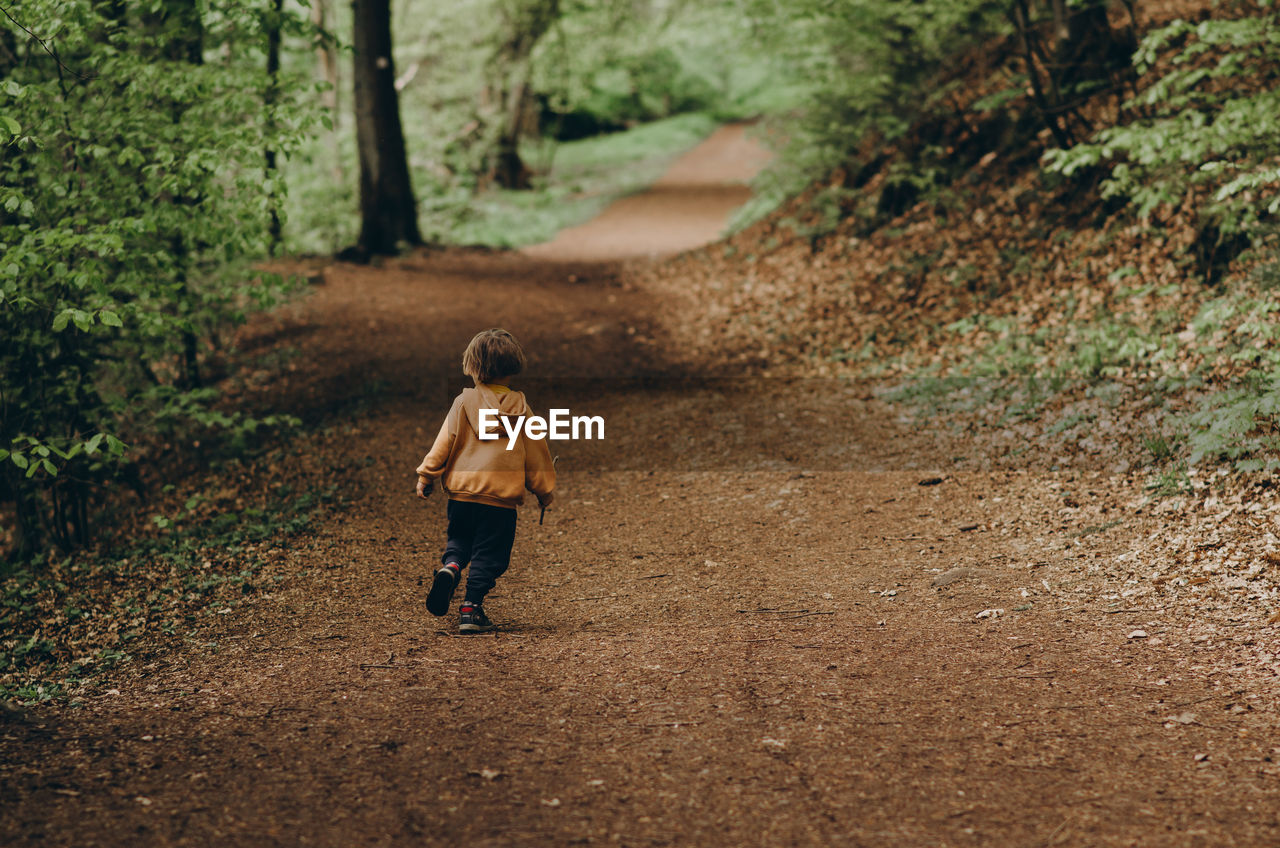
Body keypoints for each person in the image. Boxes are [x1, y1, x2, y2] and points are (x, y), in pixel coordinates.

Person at [415, 329, 556, 632]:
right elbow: (536, 454)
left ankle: (451, 567)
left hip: (462, 496)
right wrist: (544, 491)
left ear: (472, 366)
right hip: (499, 501)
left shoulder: (463, 403)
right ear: (512, 367)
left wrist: (427, 474)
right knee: (490, 554)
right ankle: (471, 608)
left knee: (459, 541)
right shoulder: (521, 409)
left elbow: (444, 442)